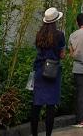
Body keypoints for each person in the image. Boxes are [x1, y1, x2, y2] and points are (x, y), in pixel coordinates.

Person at [31, 8, 66, 136]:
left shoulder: (39, 34)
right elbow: (62, 55)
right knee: (50, 106)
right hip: (53, 71)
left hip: (40, 70)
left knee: (36, 104)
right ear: (56, 21)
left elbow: (38, 50)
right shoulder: (59, 35)